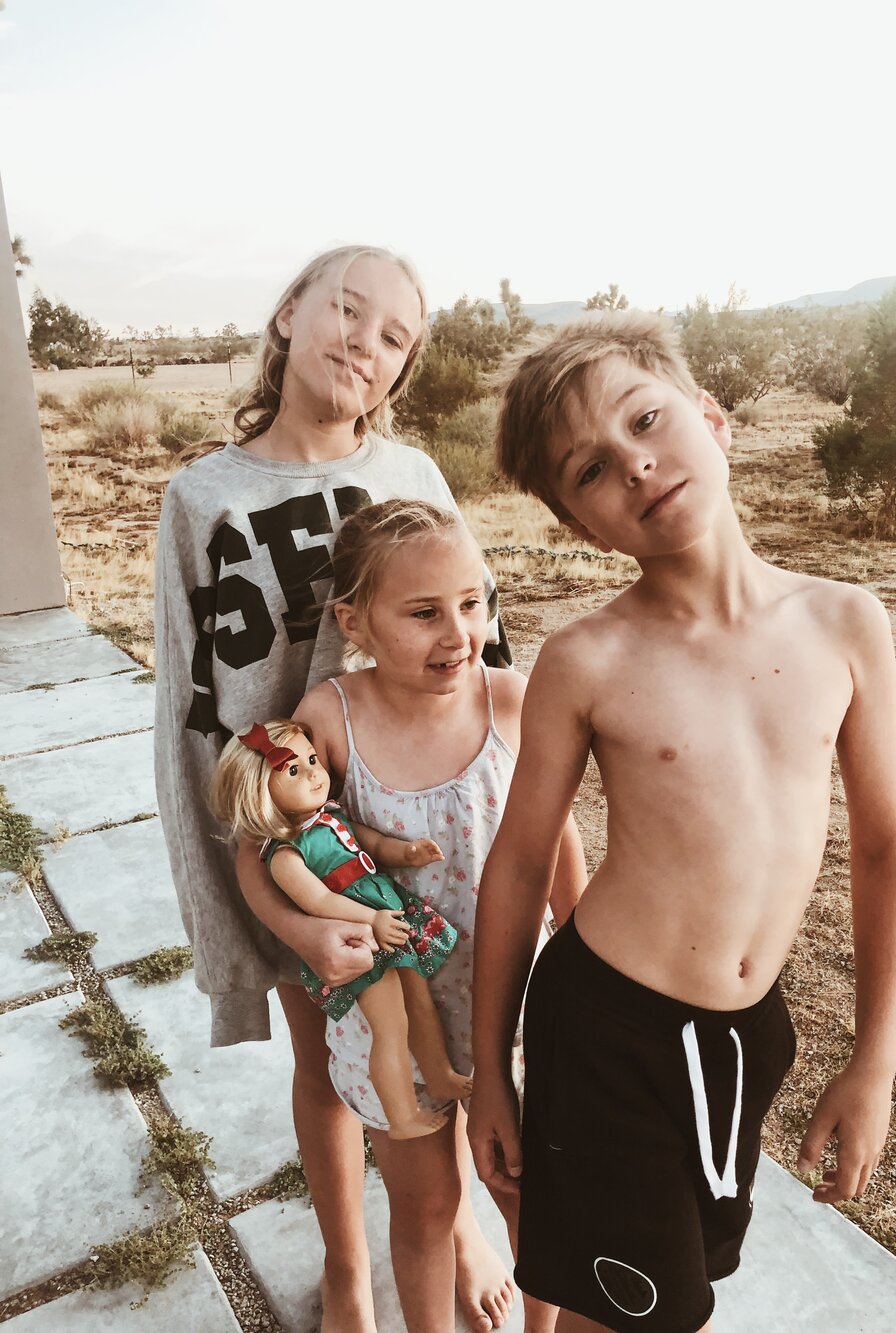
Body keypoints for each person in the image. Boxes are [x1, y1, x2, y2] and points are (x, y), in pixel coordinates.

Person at [469, 310, 896, 1333]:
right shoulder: (587, 660)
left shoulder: (845, 621)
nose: (632, 464)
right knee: (637, 1316)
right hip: (606, 1034)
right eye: (589, 469)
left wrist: (875, 1062)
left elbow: (889, 850)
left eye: (646, 420)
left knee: (684, 1288)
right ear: (581, 524)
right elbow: (514, 868)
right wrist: (490, 1071)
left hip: (745, 1037)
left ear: (711, 419)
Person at [153, 245, 515, 1332]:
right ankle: (349, 1267)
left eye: (393, 334)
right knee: (330, 1055)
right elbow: (188, 695)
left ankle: (448, 1226)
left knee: (442, 1041)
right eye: (346, 309)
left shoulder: (413, 478)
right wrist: (225, 878)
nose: (364, 339)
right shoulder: (204, 495)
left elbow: (479, 636)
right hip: (301, 842)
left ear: (402, 369)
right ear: (286, 315)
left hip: (418, 818)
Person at [271, 497, 584, 1333]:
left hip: (514, 1007)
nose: (459, 633)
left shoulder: (515, 700)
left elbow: (558, 844)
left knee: (526, 1195)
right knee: (424, 1206)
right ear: (354, 619)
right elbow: (265, 844)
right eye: (423, 612)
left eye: (473, 602)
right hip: (396, 1025)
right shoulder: (330, 720)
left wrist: (588, 962)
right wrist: (306, 930)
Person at [211, 718, 470, 1139]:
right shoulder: (285, 855)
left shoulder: (331, 818)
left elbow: (372, 844)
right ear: (258, 792)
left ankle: (439, 1075)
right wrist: (372, 919)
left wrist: (408, 852)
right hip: (361, 939)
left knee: (420, 1004)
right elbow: (320, 902)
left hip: (387, 920)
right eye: (293, 771)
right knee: (390, 1026)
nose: (315, 773)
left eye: (312, 760)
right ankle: (401, 1115)